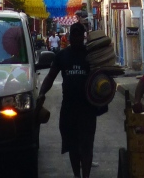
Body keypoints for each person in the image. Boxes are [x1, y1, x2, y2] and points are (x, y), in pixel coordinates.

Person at [36, 22, 100, 178]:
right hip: (69, 109)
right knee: (73, 146)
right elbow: (50, 76)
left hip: (87, 108)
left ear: (83, 37)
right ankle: (77, 175)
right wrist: (42, 93)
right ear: (70, 36)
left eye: (79, 35)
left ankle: (85, 176)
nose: (76, 38)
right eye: (74, 35)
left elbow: (102, 76)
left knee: (86, 145)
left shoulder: (91, 55)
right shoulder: (62, 55)